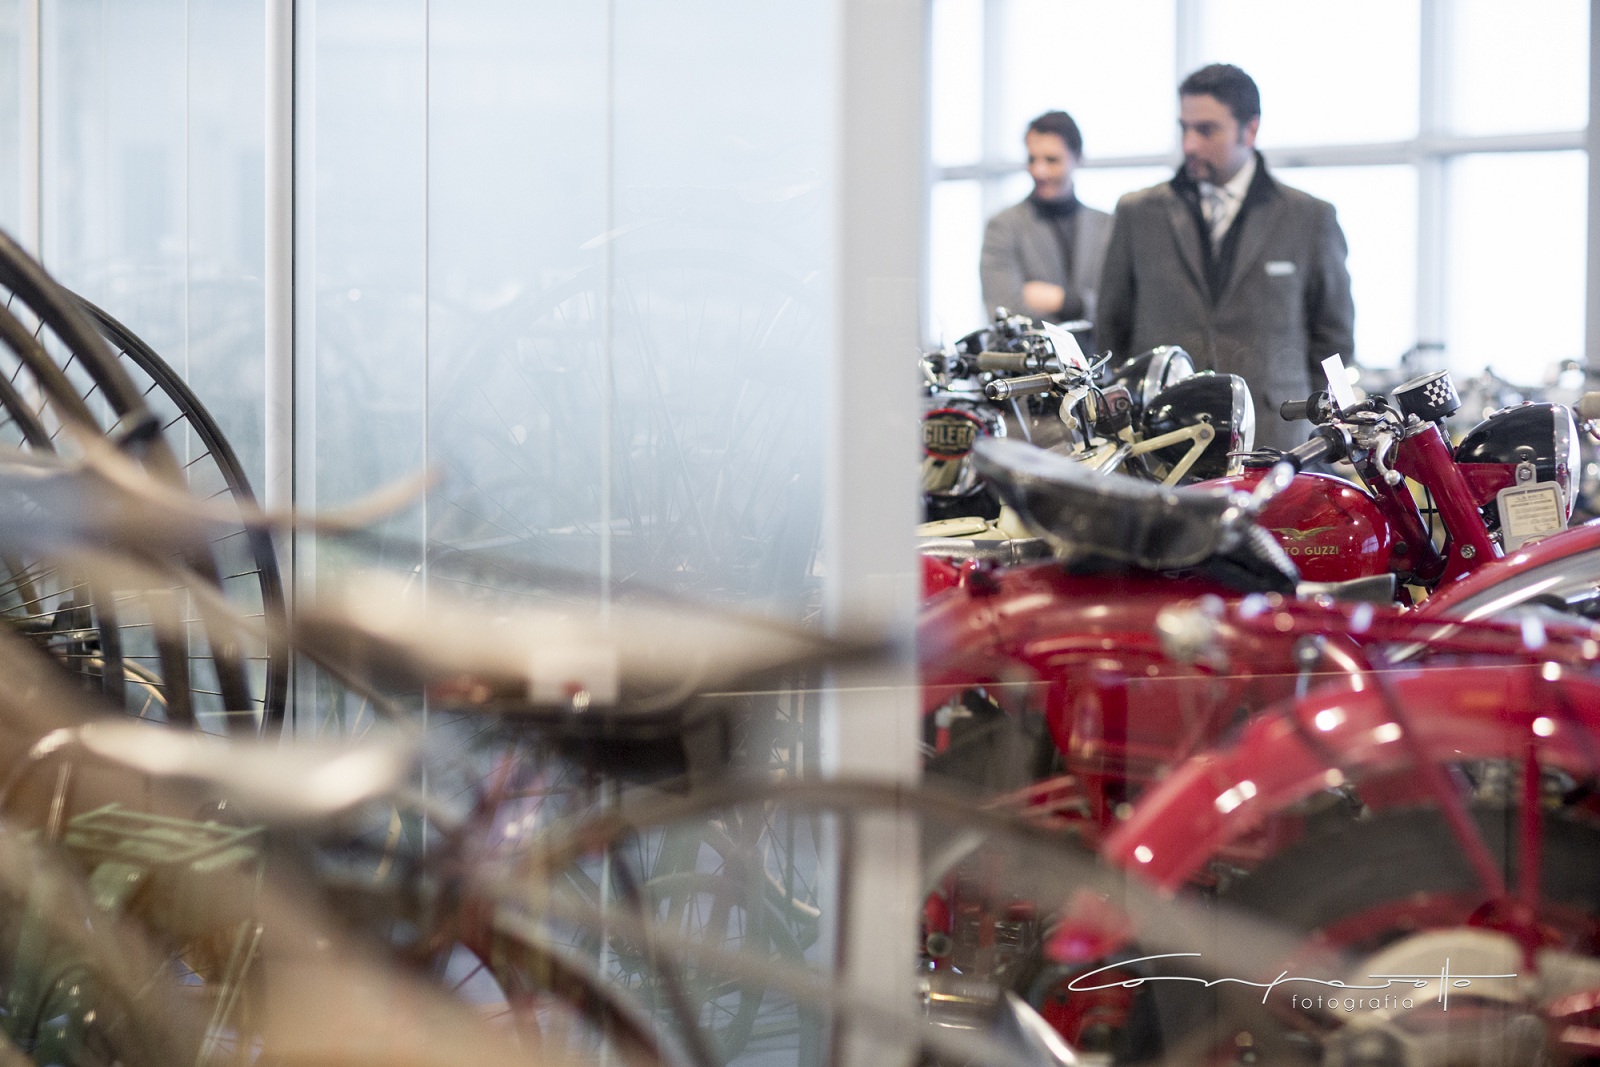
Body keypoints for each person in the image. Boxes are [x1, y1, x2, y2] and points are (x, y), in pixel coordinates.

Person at [1096, 64, 1354, 452]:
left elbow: (1334, 339)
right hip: (1163, 443)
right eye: (1184, 128)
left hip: (1275, 439)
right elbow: (1110, 329)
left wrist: (1320, 425)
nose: (1189, 145)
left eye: (1206, 130)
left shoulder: (1309, 218)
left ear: (1250, 130)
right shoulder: (1137, 213)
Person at [979, 111, 1112, 329]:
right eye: (1032, 159)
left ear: (1078, 158)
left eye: (1052, 160)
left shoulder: (1107, 226)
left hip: (1096, 351)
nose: (1039, 171)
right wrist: (1085, 309)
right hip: (1033, 351)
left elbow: (1120, 308)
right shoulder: (1003, 227)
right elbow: (1006, 313)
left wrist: (1064, 302)